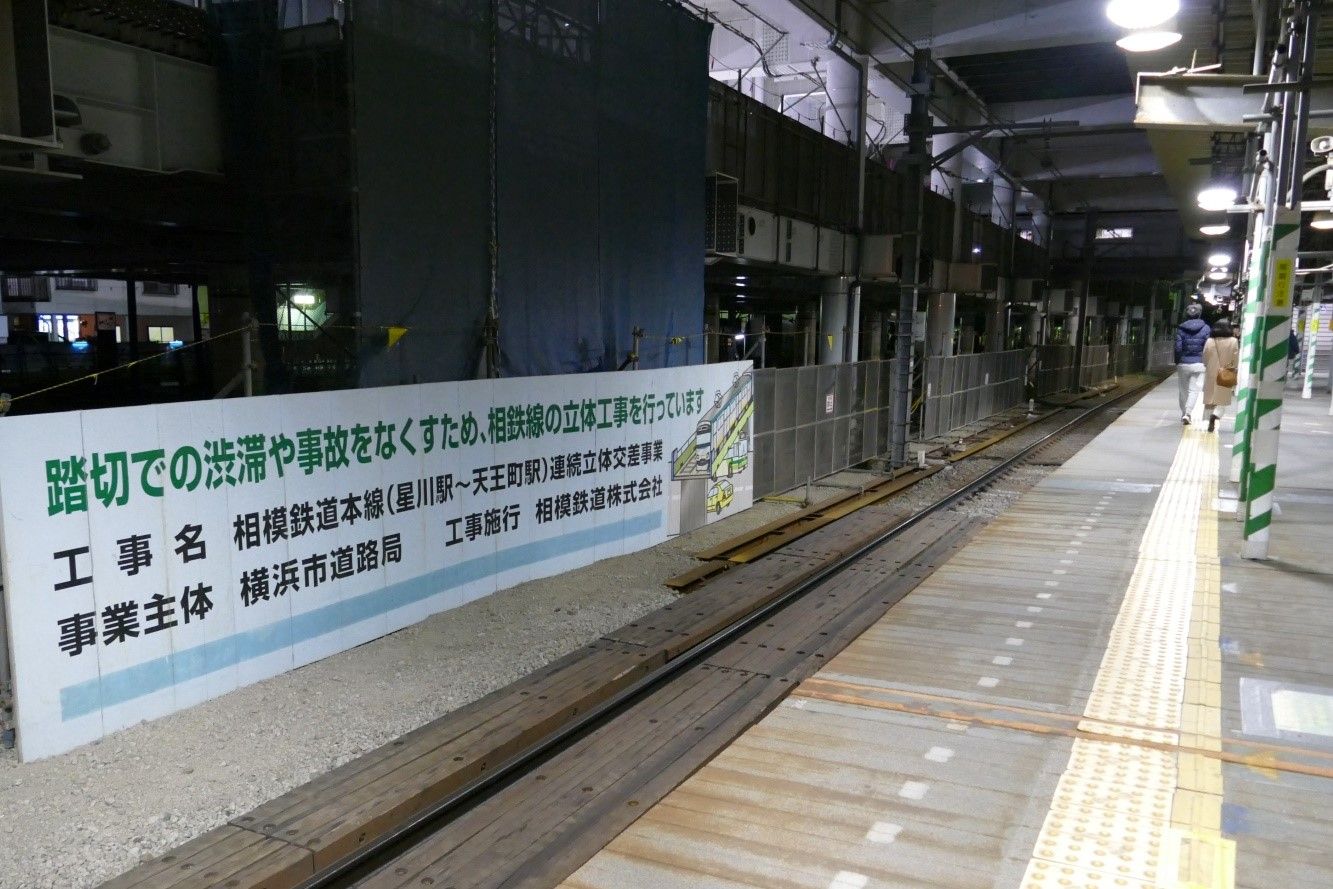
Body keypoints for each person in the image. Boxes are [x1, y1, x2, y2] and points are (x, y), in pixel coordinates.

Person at [1174, 303, 1211, 424]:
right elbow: (1208, 347)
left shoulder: (1180, 328)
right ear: (1200, 313)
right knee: (1194, 390)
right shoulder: (1206, 328)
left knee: (1183, 390)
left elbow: (1178, 348)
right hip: (1199, 364)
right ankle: (1188, 413)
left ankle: (1183, 412)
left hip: (1183, 363)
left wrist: (1177, 360)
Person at [1202, 318, 1240, 433]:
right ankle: (1216, 415)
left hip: (1211, 371)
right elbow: (1235, 358)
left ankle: (1209, 420)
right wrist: (1233, 368)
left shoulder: (1210, 341)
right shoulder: (1233, 341)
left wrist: (1208, 365)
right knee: (1222, 399)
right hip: (1226, 372)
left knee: (1211, 398)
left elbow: (1204, 357)